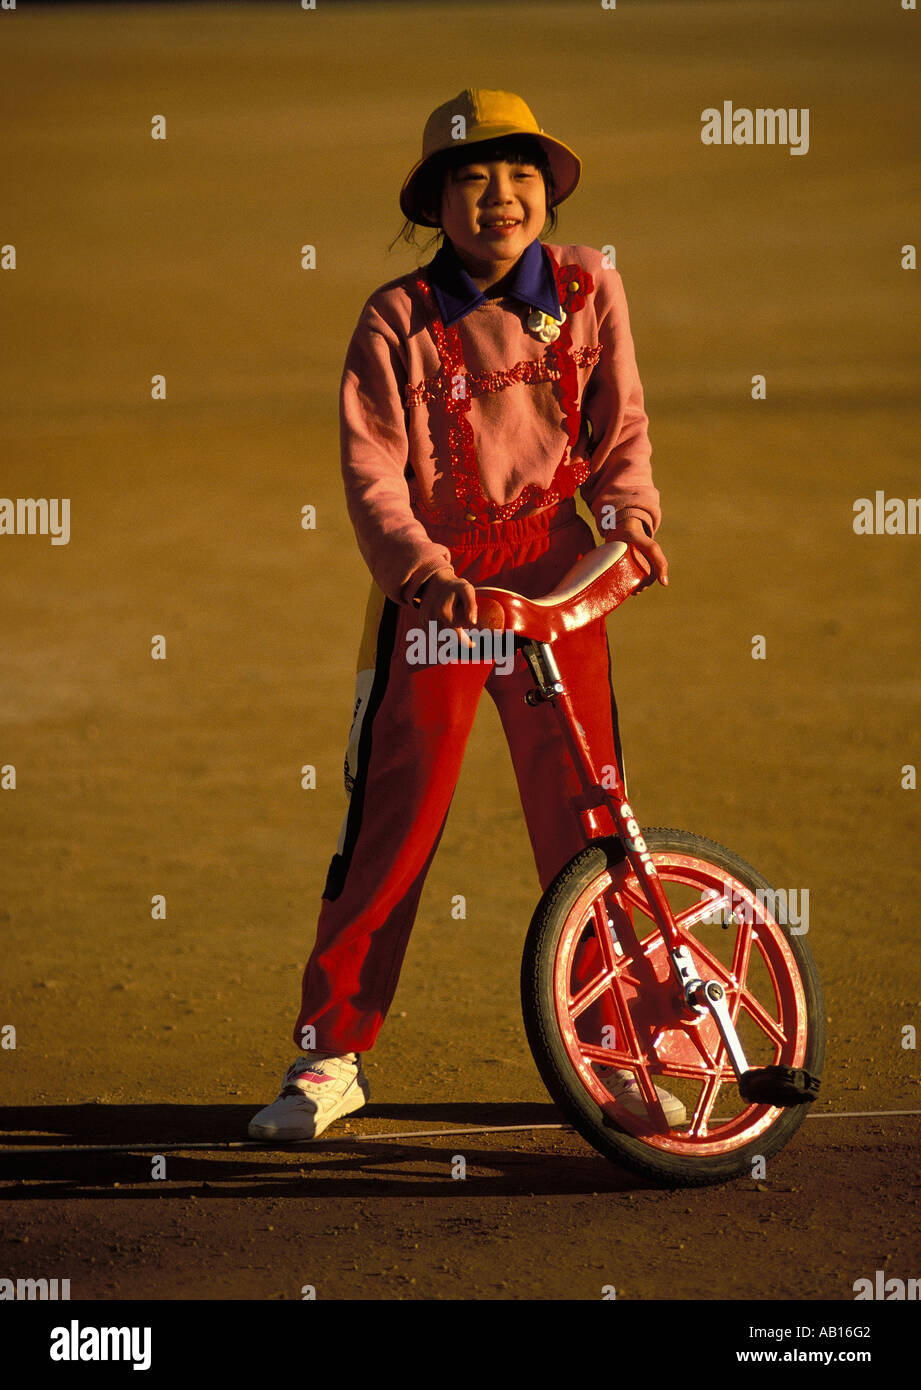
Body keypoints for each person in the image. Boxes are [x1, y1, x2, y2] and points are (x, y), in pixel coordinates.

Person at [249, 88, 682, 1143]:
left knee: (588, 820)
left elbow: (620, 427)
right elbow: (373, 473)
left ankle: (629, 1044)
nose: (501, 197)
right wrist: (422, 575)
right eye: (474, 176)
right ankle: (333, 1055)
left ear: (548, 191)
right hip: (441, 588)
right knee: (392, 822)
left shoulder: (589, 285)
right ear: (435, 198)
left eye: (522, 175)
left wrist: (629, 519)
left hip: (556, 577)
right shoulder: (395, 317)